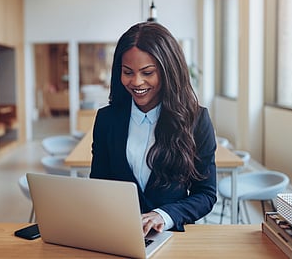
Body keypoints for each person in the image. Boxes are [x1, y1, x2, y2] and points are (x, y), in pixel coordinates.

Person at [90, 21, 217, 234]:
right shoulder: (106, 119)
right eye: (127, 72)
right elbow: (99, 184)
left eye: (148, 72)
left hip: (171, 236)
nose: (137, 82)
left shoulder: (196, 119)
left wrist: (164, 216)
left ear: (168, 72)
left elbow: (205, 194)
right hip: (118, 234)